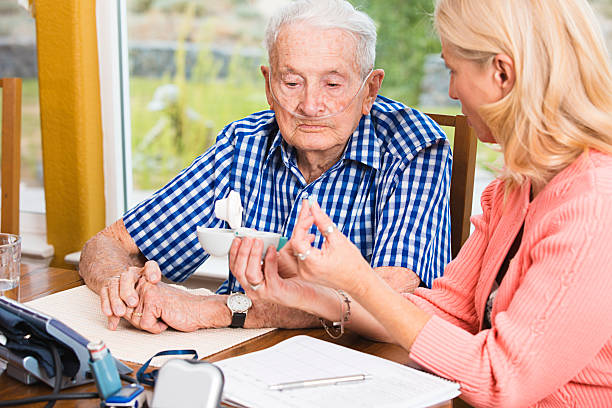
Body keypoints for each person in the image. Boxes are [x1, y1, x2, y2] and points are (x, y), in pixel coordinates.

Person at [229, 0, 612, 406]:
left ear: (502, 73)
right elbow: (443, 313)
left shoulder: (594, 205)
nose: (450, 90)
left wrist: (356, 277)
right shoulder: (512, 191)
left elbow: (501, 382)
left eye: (453, 70)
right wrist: (306, 294)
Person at [78, 0, 452, 334]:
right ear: (269, 86)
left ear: (369, 90)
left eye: (333, 84)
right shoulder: (243, 143)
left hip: (358, 364)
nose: (310, 105)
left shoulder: (414, 146)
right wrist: (122, 286)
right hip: (244, 357)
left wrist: (219, 309)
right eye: (292, 81)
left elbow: (393, 291)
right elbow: (110, 243)